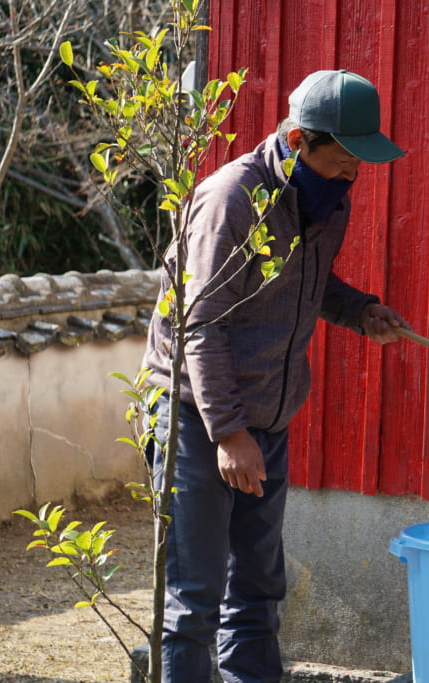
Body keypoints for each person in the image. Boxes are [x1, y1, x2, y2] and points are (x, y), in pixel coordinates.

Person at [141, 69, 409, 683]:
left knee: (259, 593)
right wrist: (229, 433)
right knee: (195, 601)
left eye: (359, 164)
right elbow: (198, 325)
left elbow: (304, 287)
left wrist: (359, 310)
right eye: (342, 160)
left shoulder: (324, 203)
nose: (352, 176)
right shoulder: (231, 200)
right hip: (197, 418)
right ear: (296, 143)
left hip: (267, 417)